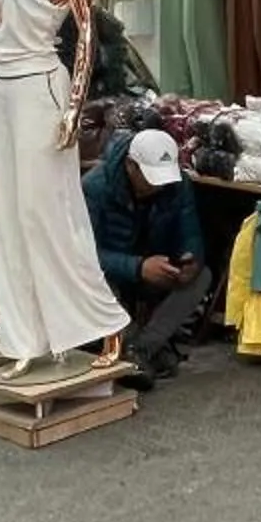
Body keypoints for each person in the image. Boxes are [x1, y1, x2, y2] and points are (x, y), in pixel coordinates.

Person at [83, 125, 209, 381]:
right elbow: (82, 256)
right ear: (131, 166)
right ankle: (130, 345)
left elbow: (190, 234)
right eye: (152, 178)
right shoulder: (94, 188)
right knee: (93, 279)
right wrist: (137, 267)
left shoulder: (176, 185)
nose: (159, 187)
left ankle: (140, 348)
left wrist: (189, 260)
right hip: (111, 274)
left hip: (156, 267)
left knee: (202, 277)